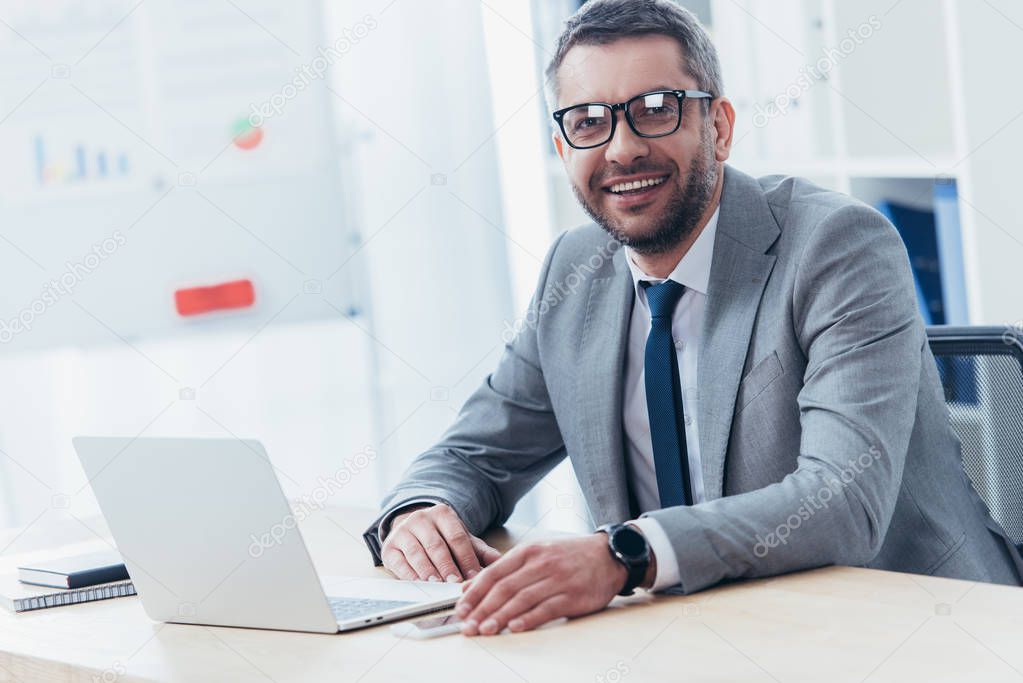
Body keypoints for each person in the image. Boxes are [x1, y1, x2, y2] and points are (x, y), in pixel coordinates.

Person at [361, 0, 1023, 636]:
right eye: (588, 121)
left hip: (911, 628)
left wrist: (623, 555)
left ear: (719, 126)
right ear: (563, 148)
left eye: (655, 110)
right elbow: (475, 452)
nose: (621, 149)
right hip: (690, 635)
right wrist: (422, 509)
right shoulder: (575, 269)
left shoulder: (837, 245)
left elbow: (840, 500)